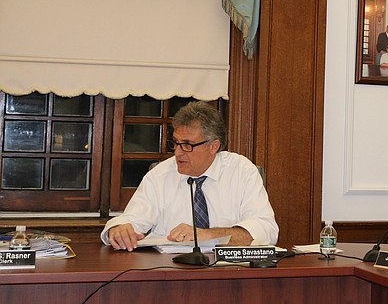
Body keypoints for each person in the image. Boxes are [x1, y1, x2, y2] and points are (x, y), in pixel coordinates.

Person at [101, 101, 279, 250]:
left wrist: (205, 235)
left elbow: (266, 230)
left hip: (230, 272)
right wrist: (117, 229)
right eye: (176, 143)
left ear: (213, 146)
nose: (178, 152)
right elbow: (131, 221)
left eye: (188, 145)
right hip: (172, 274)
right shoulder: (160, 176)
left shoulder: (242, 171)